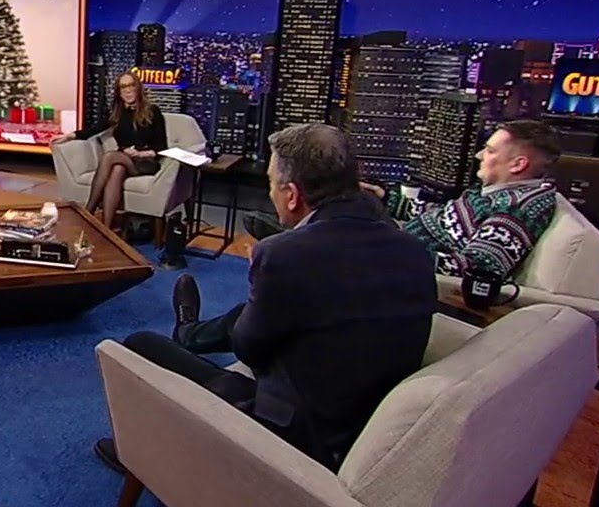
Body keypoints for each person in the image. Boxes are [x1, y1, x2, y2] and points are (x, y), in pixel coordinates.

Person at [94, 123, 437, 473]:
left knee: (140, 344)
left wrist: (266, 276)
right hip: (362, 429)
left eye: (271, 184)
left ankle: (139, 451)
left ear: (292, 195)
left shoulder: (285, 255)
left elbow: (248, 349)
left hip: (294, 435)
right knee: (267, 308)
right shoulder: (415, 252)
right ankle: (189, 331)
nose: (270, 193)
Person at [360, 120, 561, 280]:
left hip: (403, 269)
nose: (479, 155)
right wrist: (387, 199)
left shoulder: (514, 210)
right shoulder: (493, 192)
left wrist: (391, 252)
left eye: (490, 151)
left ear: (517, 165)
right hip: (400, 242)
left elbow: (475, 270)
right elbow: (446, 218)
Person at [51, 72, 168, 230]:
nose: (128, 90)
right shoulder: (117, 112)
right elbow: (94, 129)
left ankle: (88, 212)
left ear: (138, 88)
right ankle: (106, 228)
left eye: (131, 85)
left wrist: (140, 153)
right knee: (117, 170)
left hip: (145, 161)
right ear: (119, 92)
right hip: (123, 159)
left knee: (110, 157)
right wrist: (69, 136)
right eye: (123, 87)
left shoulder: (153, 111)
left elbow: (162, 148)